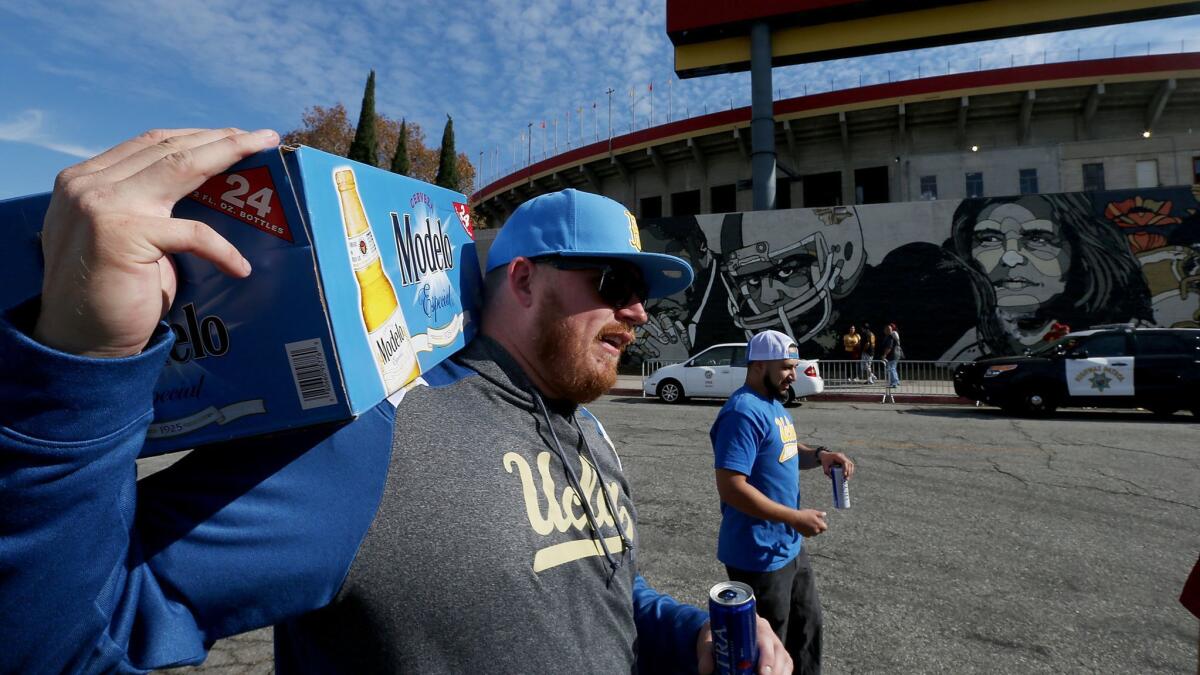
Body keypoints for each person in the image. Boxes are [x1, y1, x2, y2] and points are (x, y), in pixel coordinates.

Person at [0, 129, 791, 674]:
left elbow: (602, 591)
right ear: (522, 279)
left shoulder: (588, 433)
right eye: (616, 284)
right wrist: (82, 360)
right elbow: (69, 632)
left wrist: (686, 636)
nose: (640, 312)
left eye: (645, 292)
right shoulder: (374, 434)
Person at [709, 329, 856, 674]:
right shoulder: (742, 412)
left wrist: (820, 455)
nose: (793, 374)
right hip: (757, 554)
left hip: (788, 546)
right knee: (769, 651)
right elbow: (731, 487)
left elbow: (787, 452)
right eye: (787, 367)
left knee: (807, 630)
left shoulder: (773, 404)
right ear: (760, 365)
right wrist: (793, 517)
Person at [939, 194, 1153, 360]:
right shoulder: (968, 350)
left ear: (1079, 250)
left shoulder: (1130, 337)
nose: (1011, 258)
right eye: (989, 238)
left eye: (1038, 238)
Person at [880, 323, 901, 388]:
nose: (885, 330)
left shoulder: (890, 337)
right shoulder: (890, 336)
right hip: (895, 354)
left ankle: (894, 383)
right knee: (893, 368)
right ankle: (896, 381)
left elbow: (889, 347)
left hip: (892, 355)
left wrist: (884, 355)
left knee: (891, 369)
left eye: (886, 329)